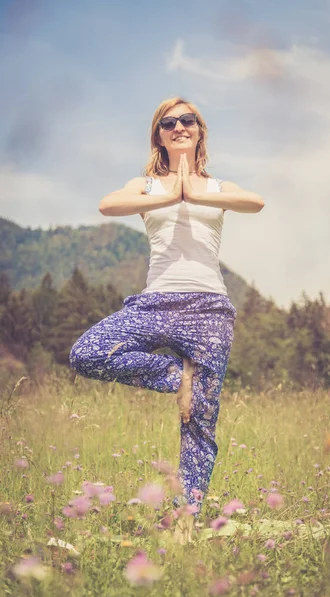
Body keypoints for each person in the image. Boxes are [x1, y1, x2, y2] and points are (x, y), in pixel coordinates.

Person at [69, 96, 264, 543]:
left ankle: (186, 521)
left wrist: (191, 189)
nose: (179, 126)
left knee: (200, 421)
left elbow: (256, 202)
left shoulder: (216, 188)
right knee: (87, 352)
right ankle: (178, 378)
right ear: (158, 134)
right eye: (169, 122)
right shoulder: (143, 187)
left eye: (187, 120)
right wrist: (171, 188)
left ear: (199, 129)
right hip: (156, 302)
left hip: (210, 309)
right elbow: (105, 206)